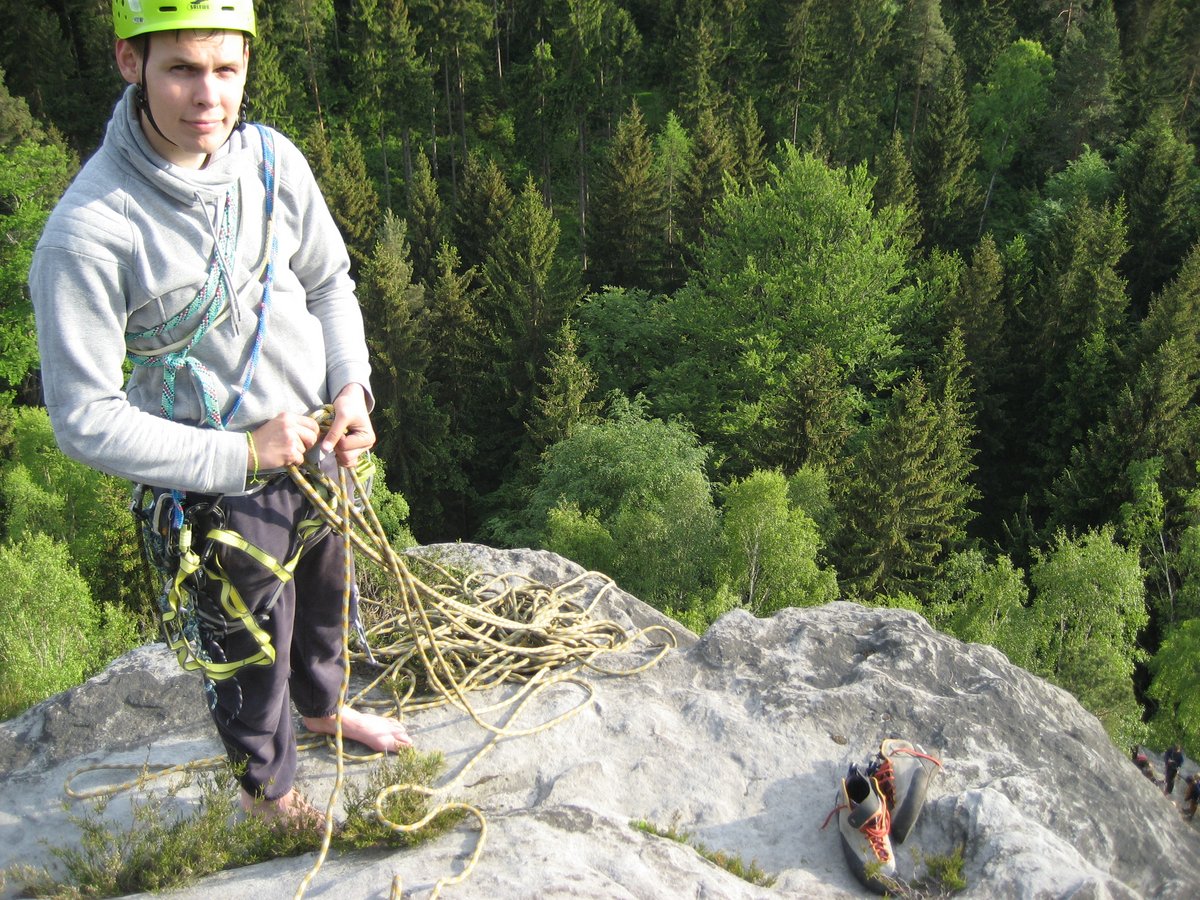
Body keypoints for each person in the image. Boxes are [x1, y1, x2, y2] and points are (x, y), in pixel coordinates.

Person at [28, 0, 410, 826]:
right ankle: (267, 797)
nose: (209, 95)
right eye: (182, 69)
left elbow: (329, 282)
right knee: (247, 649)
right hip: (213, 488)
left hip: (314, 445)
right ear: (132, 64)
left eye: (226, 69)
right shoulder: (91, 231)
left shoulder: (274, 163)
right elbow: (83, 418)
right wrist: (241, 457)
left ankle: (323, 711)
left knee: (324, 600)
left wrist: (352, 388)